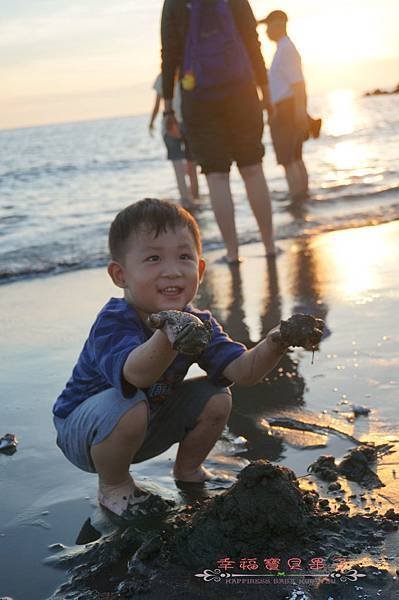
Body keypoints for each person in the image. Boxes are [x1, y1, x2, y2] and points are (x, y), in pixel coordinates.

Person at [52, 198, 291, 522]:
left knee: (217, 397)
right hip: (85, 433)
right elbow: (137, 376)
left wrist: (278, 341)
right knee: (130, 403)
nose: (173, 270)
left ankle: (189, 469)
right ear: (120, 274)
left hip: (144, 422)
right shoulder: (114, 321)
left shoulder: (197, 321)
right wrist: (169, 333)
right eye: (153, 258)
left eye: (184, 256)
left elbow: (243, 371)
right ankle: (114, 486)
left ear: (200, 269)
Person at [161, 0, 277, 263]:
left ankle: (233, 253)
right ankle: (269, 246)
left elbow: (169, 54)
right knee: (252, 169)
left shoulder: (174, 3)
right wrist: (265, 90)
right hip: (241, 90)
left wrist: (168, 108)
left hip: (198, 96)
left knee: (217, 177)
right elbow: (252, 39)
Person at [258, 10, 318, 200]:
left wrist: (300, 114)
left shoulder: (286, 50)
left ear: (279, 24)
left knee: (289, 158)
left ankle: (297, 198)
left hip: (287, 110)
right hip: (286, 108)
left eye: (269, 26)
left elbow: (298, 84)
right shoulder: (282, 49)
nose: (266, 31)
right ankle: (301, 197)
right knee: (294, 157)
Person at [149, 73, 199, 208]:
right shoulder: (188, 72)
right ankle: (195, 199)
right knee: (192, 165)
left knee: (178, 167)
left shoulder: (162, 77)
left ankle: (186, 201)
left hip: (170, 123)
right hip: (187, 122)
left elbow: (157, 105)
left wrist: (151, 123)